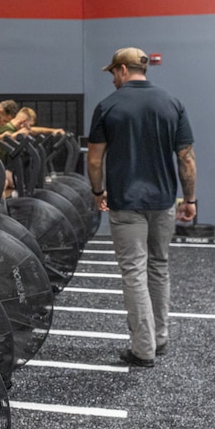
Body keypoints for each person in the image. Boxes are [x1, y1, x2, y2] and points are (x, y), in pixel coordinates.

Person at [87, 47, 196, 368]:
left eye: (113, 74)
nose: (113, 80)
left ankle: (143, 348)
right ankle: (159, 338)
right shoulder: (172, 103)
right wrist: (188, 200)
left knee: (134, 271)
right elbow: (186, 158)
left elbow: (94, 159)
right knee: (158, 266)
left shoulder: (108, 106)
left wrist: (97, 191)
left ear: (122, 69)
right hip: (163, 201)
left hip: (126, 201)